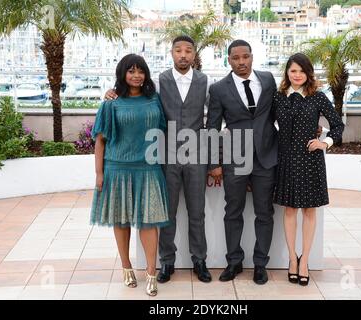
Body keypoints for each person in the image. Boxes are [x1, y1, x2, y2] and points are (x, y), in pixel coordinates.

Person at [104, 36, 212, 283]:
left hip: (196, 155)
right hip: (165, 155)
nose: (183, 55)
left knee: (197, 212)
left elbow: (215, 116)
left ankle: (200, 260)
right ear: (171, 54)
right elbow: (136, 98)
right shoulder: (159, 83)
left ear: (194, 54)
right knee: (167, 213)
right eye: (178, 50)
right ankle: (167, 262)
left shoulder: (206, 82)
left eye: (188, 51)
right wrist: (112, 92)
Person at [90, 54, 169, 296]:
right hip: (118, 168)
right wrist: (99, 174)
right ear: (122, 74)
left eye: (141, 71)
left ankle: (151, 273)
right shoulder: (111, 103)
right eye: (131, 71)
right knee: (121, 220)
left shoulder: (154, 99)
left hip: (148, 168)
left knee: (149, 221)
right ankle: (126, 268)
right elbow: (100, 141)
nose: (136, 76)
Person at [207, 40, 279, 285]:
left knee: (265, 213)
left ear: (252, 56)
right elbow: (213, 127)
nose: (241, 62)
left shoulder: (268, 80)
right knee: (233, 212)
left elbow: (279, 114)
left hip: (266, 157)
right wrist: (214, 163)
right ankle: (234, 262)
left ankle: (260, 264)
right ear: (229, 60)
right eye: (236, 58)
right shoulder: (218, 89)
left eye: (245, 57)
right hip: (234, 158)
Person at [272, 53, 344, 286]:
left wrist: (325, 143)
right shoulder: (279, 97)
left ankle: (305, 262)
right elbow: (265, 124)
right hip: (286, 160)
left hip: (310, 160)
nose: (297, 75)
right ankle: (293, 258)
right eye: (293, 71)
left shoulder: (318, 97)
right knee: (290, 210)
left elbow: (337, 124)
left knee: (310, 211)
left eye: (301, 71)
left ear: (308, 73)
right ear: (287, 73)